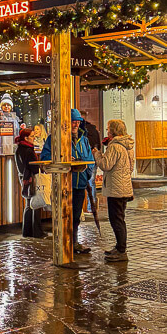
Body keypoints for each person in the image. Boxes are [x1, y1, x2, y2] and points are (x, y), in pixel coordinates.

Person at [41, 107, 95, 254]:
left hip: (80, 183)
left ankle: (74, 242)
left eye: (78, 122)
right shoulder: (54, 139)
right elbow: (45, 158)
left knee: (76, 216)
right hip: (64, 184)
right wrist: (62, 160)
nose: (76, 124)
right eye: (73, 122)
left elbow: (90, 160)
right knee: (63, 215)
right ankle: (63, 244)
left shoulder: (84, 139)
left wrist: (87, 172)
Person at [93, 119, 134, 262]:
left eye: (108, 128)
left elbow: (105, 165)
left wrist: (97, 154)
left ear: (113, 131)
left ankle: (121, 251)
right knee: (119, 219)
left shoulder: (115, 146)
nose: (107, 131)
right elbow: (130, 167)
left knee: (116, 220)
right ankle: (119, 247)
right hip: (124, 187)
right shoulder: (128, 145)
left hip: (116, 189)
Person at [14, 127, 46, 238]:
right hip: (32, 179)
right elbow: (33, 166)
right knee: (35, 204)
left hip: (24, 178)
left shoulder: (19, 149)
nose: (34, 138)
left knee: (29, 204)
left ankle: (27, 231)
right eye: (32, 136)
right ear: (26, 138)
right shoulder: (28, 149)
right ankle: (37, 232)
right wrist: (41, 167)